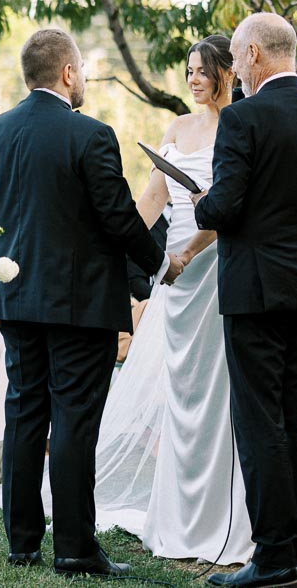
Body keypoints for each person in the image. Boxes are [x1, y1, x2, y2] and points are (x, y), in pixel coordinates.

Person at [0, 27, 184, 577]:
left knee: (24, 413)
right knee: (73, 420)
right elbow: (117, 218)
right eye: (84, 71)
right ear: (68, 73)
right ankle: (73, 547)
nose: (85, 80)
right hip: (79, 302)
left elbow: (7, 208)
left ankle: (22, 543)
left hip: (17, 295)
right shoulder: (90, 135)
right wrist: (161, 262)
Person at [192, 12, 297, 588]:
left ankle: (274, 555)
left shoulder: (242, 119)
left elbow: (224, 208)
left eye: (236, 59)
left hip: (257, 290)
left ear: (255, 54)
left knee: (261, 421)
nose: (233, 69)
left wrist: (204, 203)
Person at [94, 35, 255, 565]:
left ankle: (222, 512)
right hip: (176, 275)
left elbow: (234, 209)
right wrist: (118, 243)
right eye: (188, 70)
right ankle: (180, 510)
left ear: (227, 71)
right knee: (179, 390)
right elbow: (152, 199)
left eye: (203, 69)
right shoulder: (177, 128)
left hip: (216, 265)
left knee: (220, 389)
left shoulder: (243, 123)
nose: (193, 78)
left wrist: (184, 251)